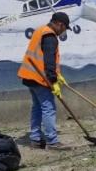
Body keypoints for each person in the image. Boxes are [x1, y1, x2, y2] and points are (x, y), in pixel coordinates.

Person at [17, 12, 71, 150]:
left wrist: (58, 76)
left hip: (30, 77)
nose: (63, 32)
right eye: (64, 28)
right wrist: (53, 81)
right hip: (40, 78)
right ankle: (52, 142)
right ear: (60, 24)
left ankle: (35, 139)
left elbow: (40, 57)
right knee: (48, 108)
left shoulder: (40, 31)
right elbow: (49, 61)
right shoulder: (50, 36)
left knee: (37, 107)